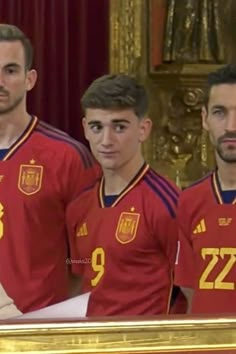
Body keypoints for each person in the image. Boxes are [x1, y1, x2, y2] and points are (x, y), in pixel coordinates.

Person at [66, 74, 186, 316]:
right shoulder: (78, 206)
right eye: (97, 127)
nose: (106, 140)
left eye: (119, 127)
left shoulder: (167, 202)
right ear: (85, 129)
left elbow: (191, 290)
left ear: (143, 129)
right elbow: (80, 275)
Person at [0, 24, 99, 313]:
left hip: (38, 328)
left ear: (30, 79)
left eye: (11, 70)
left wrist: (55, 312)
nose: (0, 81)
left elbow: (85, 258)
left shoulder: (67, 157)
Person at [175, 64, 236, 314]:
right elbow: (189, 291)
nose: (231, 126)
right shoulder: (190, 201)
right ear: (205, 119)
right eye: (220, 112)